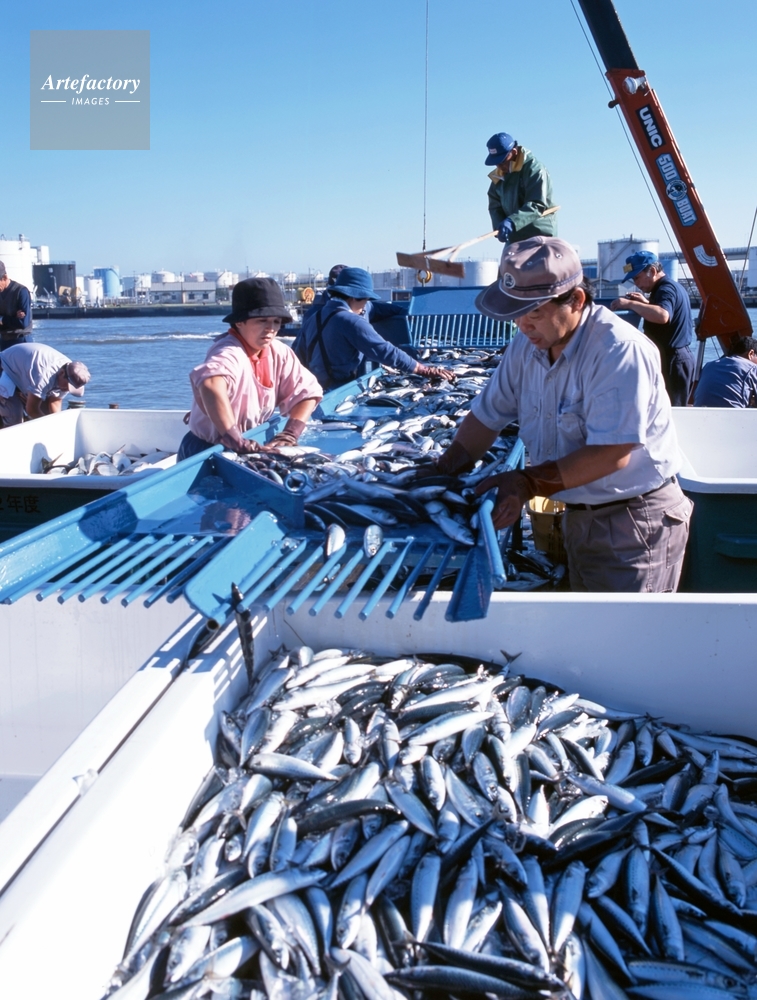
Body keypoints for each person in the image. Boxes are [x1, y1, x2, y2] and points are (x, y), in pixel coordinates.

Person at [433, 236, 693, 593]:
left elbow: (612, 453)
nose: (523, 325)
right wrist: (446, 467)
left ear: (576, 300)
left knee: (624, 628)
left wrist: (527, 482)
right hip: (579, 514)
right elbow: (487, 415)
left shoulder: (618, 350)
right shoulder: (526, 346)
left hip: (633, 523)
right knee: (585, 622)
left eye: (534, 313)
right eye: (515, 313)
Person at [178, 277, 323, 461]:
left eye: (276, 321)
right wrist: (233, 437)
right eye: (262, 320)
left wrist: (290, 433)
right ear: (240, 322)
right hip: (206, 450)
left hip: (249, 445)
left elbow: (308, 393)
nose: (271, 328)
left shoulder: (279, 352)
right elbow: (211, 383)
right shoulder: (229, 352)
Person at [296, 267, 453, 390]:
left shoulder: (314, 317)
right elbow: (385, 351)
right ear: (354, 296)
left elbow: (297, 354)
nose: (366, 306)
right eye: (366, 299)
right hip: (338, 389)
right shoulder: (352, 321)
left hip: (312, 388)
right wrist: (424, 370)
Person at [611, 250, 694, 406]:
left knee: (673, 411)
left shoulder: (665, 289)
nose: (636, 283)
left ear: (653, 271)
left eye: (637, 277)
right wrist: (646, 303)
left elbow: (663, 315)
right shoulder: (669, 287)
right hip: (675, 358)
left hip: (673, 361)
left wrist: (630, 304)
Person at [485, 132, 558, 245]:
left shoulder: (535, 169)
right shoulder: (498, 177)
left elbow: (536, 204)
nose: (499, 166)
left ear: (514, 152)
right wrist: (499, 226)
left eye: (502, 161)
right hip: (514, 237)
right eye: (496, 162)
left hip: (540, 235)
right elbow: (495, 207)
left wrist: (512, 222)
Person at [0, 343, 90, 426]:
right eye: (67, 386)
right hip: (5, 368)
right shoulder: (45, 376)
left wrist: (57, 425)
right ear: (62, 373)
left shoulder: (70, 373)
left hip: (25, 374)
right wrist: (49, 426)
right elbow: (32, 409)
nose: (66, 389)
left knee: (47, 415)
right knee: (15, 420)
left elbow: (55, 401)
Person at [694, 336, 757, 407]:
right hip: (733, 413)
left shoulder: (708, 365)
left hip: (700, 412)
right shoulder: (752, 368)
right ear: (751, 354)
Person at [0, 261, 33, 350]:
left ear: (4, 278)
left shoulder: (21, 292)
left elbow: (23, 323)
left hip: (21, 341)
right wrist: (13, 318)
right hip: (4, 341)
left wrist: (2, 319)